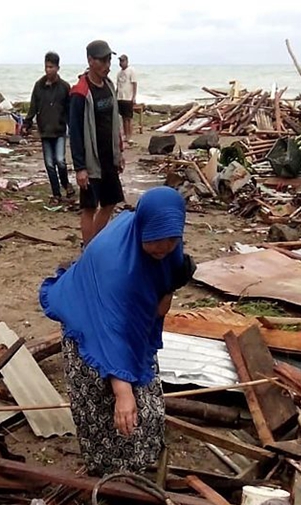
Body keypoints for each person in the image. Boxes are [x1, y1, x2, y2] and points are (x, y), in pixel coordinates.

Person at [39, 186, 196, 476]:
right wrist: (122, 392)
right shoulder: (114, 266)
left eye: (171, 240)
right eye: (155, 240)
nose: (163, 248)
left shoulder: (168, 245)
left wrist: (171, 285)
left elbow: (159, 310)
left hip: (129, 321)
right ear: (142, 229)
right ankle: (109, 474)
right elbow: (111, 333)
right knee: (104, 403)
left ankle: (141, 465)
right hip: (90, 320)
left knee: (144, 398)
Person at [69, 39, 125, 246]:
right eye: (102, 60)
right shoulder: (80, 93)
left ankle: (95, 245)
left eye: (109, 60)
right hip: (91, 161)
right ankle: (88, 250)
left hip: (108, 157)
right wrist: (80, 168)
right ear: (90, 61)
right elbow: (75, 132)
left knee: (110, 202)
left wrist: (119, 152)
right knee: (89, 207)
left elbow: (115, 122)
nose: (107, 65)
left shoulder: (109, 86)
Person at [24, 51, 74, 205]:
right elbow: (33, 106)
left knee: (60, 161)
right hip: (45, 130)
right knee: (49, 164)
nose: (48, 70)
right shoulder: (39, 86)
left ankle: (66, 184)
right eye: (46, 67)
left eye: (51, 67)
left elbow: (69, 110)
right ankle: (56, 193)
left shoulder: (64, 87)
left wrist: (73, 128)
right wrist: (27, 123)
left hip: (59, 129)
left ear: (57, 68)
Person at [116, 54, 138, 145]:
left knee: (129, 118)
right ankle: (125, 135)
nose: (121, 63)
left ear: (127, 61)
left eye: (123, 61)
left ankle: (130, 136)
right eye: (120, 61)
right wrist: (115, 95)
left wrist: (134, 97)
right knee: (123, 118)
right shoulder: (119, 73)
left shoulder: (131, 71)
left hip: (128, 97)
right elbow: (118, 86)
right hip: (120, 97)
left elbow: (134, 84)